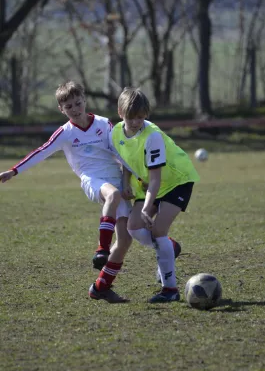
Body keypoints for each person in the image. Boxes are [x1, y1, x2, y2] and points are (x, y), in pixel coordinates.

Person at [0, 81, 132, 303]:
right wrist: (14, 171)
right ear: (62, 109)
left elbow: (120, 151)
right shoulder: (65, 133)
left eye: (78, 103)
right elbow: (41, 152)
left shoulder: (103, 124)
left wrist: (131, 176)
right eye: (69, 106)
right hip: (93, 180)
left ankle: (100, 287)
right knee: (112, 196)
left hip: (116, 179)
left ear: (84, 101)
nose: (75, 109)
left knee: (126, 240)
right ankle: (102, 248)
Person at [109, 87, 200, 303]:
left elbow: (157, 179)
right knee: (134, 228)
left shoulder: (153, 137)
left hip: (176, 181)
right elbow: (126, 162)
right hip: (147, 184)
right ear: (121, 112)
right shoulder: (115, 133)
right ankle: (171, 247)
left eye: (141, 117)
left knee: (158, 230)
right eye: (131, 117)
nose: (136, 122)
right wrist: (125, 184)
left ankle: (170, 289)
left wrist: (148, 208)